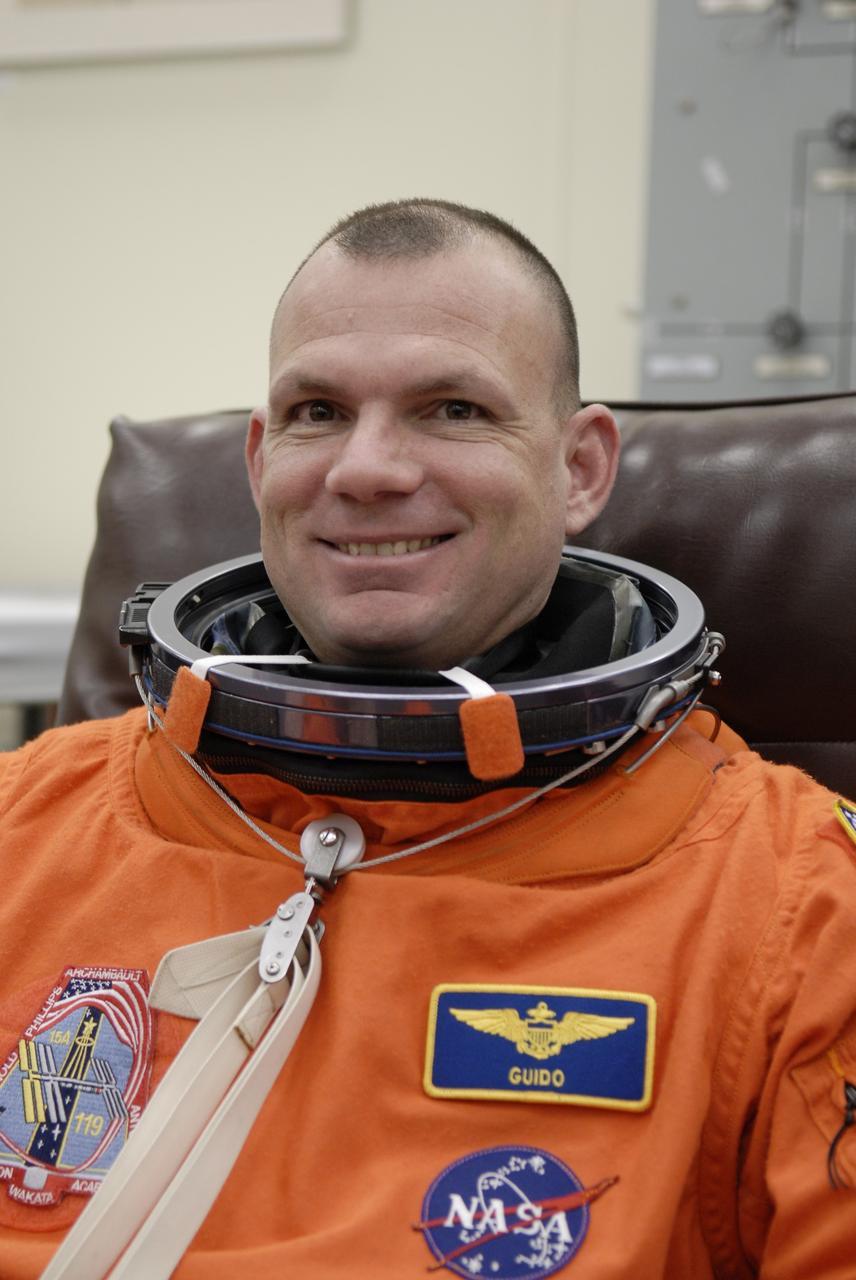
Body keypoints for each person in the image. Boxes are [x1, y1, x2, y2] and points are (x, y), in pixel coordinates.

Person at [0, 199, 854, 1280]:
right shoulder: (25, 827)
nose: (366, 469)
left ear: (581, 469)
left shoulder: (797, 904)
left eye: (453, 408)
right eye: (317, 410)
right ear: (260, 460)